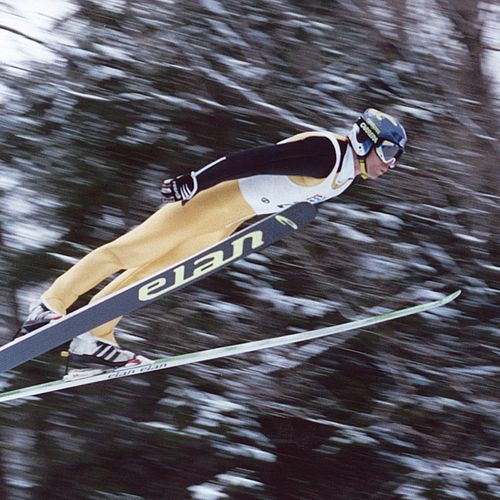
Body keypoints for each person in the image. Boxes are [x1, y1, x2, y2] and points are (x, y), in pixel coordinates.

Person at [19, 108, 407, 368]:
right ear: (365, 140)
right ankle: (49, 305)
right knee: (132, 251)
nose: (390, 164)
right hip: (212, 201)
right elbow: (256, 159)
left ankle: (92, 338)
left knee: (151, 277)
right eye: (388, 152)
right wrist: (196, 181)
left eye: (397, 158)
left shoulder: (346, 175)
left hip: (230, 219)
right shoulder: (326, 152)